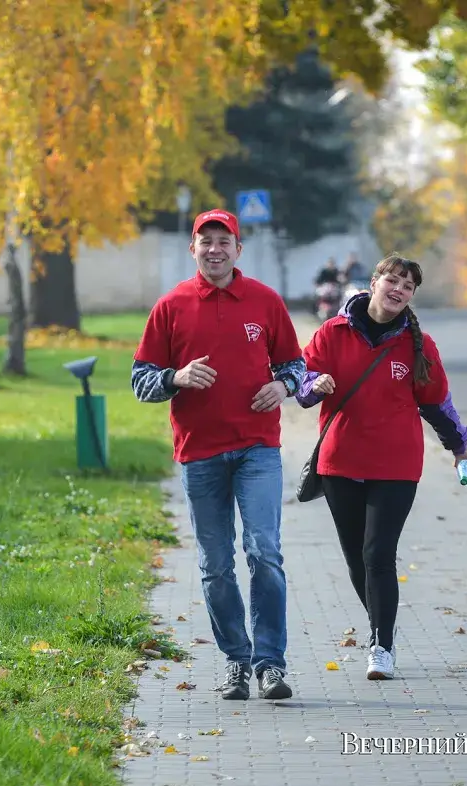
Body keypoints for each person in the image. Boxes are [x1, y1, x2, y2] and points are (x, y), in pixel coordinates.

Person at [132, 208, 306, 701]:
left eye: (223, 241)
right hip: (200, 454)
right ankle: (236, 660)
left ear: (237, 249)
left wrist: (283, 384)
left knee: (264, 553)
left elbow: (298, 365)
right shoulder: (171, 307)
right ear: (193, 250)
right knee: (215, 565)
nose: (214, 249)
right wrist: (176, 378)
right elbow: (140, 381)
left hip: (257, 449)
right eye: (205, 241)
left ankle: (270, 664)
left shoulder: (265, 302)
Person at [294, 254, 467, 680]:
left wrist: (460, 447)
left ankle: (382, 645)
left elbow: (436, 403)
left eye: (408, 286)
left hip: (396, 464)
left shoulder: (418, 344)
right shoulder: (332, 333)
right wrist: (311, 384)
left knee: (378, 553)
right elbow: (300, 381)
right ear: (374, 282)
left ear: (412, 295)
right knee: (356, 559)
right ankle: (384, 621)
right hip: (339, 462)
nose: (398, 289)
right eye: (392, 280)